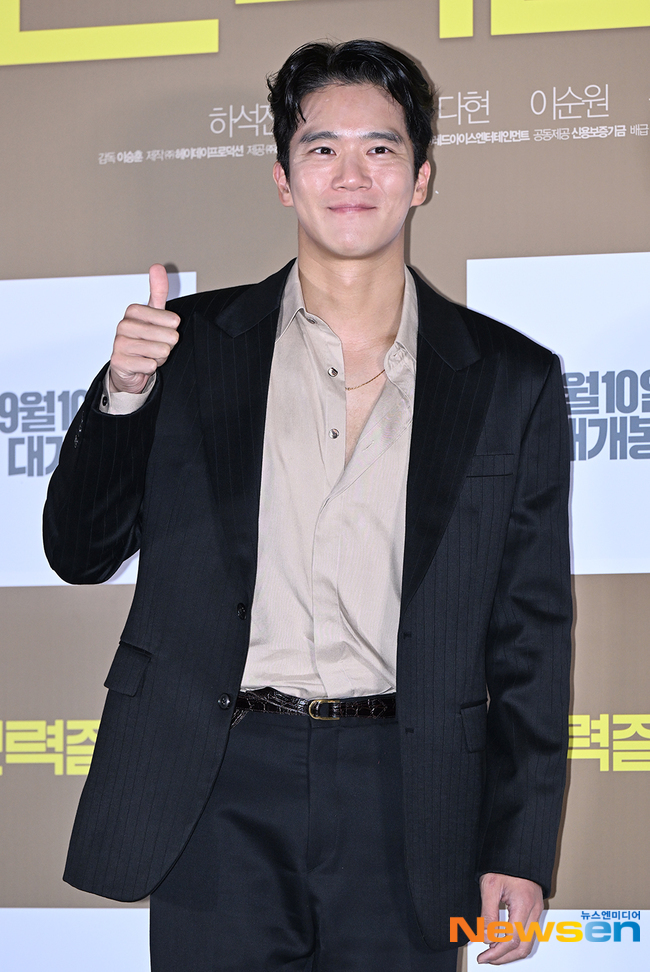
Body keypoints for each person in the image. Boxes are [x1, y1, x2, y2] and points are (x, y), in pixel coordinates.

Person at [43, 40, 572, 971]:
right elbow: (80, 552)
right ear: (284, 180)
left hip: (408, 788)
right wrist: (124, 391)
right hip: (216, 780)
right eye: (322, 148)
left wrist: (519, 845)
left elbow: (530, 633)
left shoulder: (508, 379)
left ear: (421, 178)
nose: (351, 174)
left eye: (381, 148)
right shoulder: (188, 348)